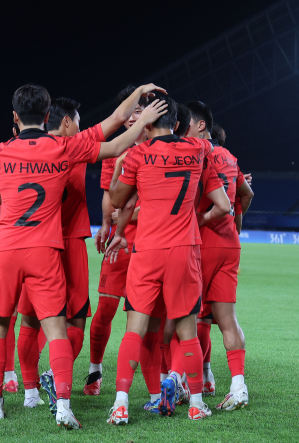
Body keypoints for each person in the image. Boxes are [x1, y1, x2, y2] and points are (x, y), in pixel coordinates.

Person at [0, 84, 168, 428]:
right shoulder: (63, 148)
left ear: (14, 117)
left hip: (7, 248)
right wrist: (143, 111)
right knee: (57, 330)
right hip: (46, 249)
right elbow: (114, 136)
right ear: (50, 116)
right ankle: (64, 406)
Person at [16, 93, 156, 411]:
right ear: (66, 122)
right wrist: (143, 117)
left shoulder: (16, 151)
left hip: (30, 243)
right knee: (77, 320)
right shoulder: (75, 147)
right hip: (70, 243)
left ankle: (28, 392)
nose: (81, 127)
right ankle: (57, 374)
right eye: (78, 121)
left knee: (29, 321)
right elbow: (116, 132)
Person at [105, 95, 231, 423]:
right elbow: (221, 204)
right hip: (184, 250)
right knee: (187, 330)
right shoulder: (199, 151)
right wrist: (194, 220)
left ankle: (120, 403)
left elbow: (118, 199)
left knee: (136, 328)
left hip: (147, 250)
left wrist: (121, 165)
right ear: (176, 124)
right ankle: (196, 403)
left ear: (147, 124)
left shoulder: (138, 155)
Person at [186, 101, 255, 411]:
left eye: (184, 125)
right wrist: (236, 223)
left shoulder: (196, 154)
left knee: (196, 317)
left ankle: (197, 380)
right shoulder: (229, 156)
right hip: (230, 243)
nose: (179, 131)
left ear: (200, 126)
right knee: (228, 319)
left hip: (203, 243)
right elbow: (246, 194)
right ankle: (237, 384)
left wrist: (198, 220)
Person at [85, 86, 149, 399]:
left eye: (138, 111)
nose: (130, 118)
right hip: (119, 242)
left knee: (151, 316)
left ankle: (165, 379)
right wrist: (106, 225)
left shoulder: (162, 147)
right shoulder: (116, 150)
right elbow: (109, 196)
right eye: (129, 112)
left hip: (151, 241)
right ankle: (95, 370)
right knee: (106, 309)